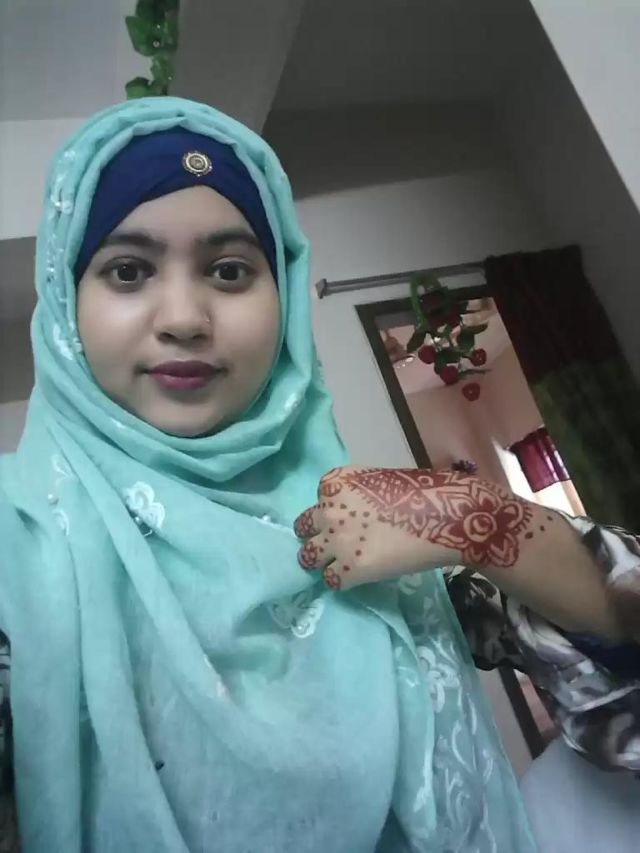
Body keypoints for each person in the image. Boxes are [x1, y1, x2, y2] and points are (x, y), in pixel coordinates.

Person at [0, 96, 637, 853]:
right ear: (65, 305)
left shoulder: (364, 526)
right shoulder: (19, 545)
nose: (184, 318)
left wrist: (474, 515)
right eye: (128, 270)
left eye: (229, 270)